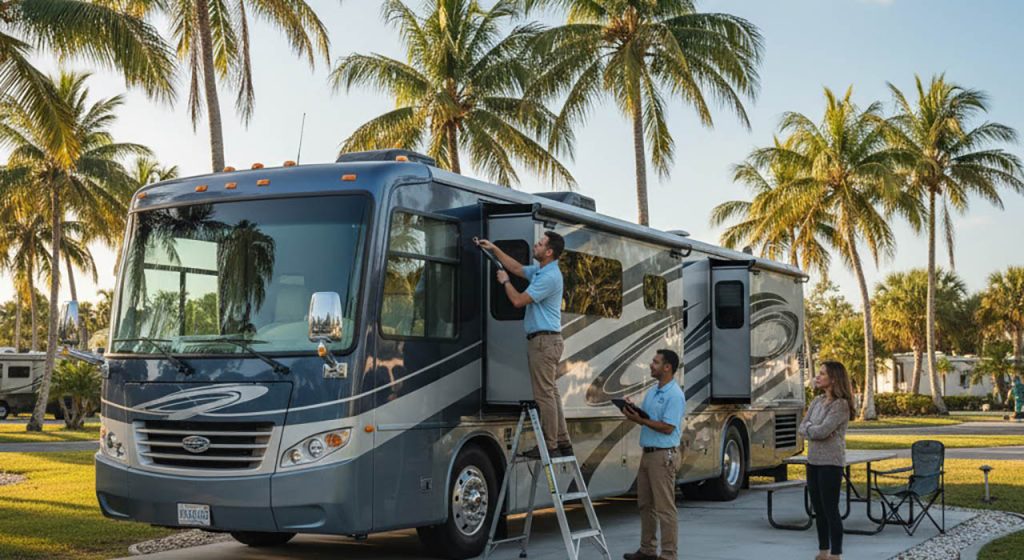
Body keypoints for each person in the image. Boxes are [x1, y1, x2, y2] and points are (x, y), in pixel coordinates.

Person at [475, 232, 571, 458]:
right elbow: (517, 268)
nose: (535, 246)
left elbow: (518, 301)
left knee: (544, 395)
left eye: (539, 244)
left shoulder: (549, 277)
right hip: (547, 341)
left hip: (543, 342)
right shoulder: (541, 271)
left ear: (548, 252)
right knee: (551, 392)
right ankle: (562, 439)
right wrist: (494, 249)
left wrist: (505, 282)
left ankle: (549, 445)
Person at [622, 349, 685, 560]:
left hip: (662, 456)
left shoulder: (675, 395)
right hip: (648, 455)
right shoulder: (654, 391)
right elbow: (649, 418)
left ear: (667, 367)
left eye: (655, 362)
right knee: (645, 505)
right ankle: (647, 550)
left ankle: (668, 555)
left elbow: (668, 427)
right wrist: (633, 409)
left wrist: (640, 421)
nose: (651, 365)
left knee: (665, 508)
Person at [798, 361, 856, 560]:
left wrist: (811, 429)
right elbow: (802, 426)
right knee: (818, 509)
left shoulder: (840, 405)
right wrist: (812, 428)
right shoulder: (816, 401)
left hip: (831, 463)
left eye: (822, 374)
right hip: (813, 461)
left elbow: (822, 431)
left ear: (833, 379)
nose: (818, 376)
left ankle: (836, 554)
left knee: (830, 509)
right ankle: (823, 551)